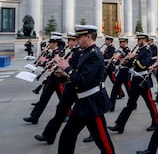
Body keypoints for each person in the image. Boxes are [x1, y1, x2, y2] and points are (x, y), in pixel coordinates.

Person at [55, 25, 115, 154]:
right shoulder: (85, 52)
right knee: (67, 136)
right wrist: (65, 74)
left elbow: (83, 80)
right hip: (82, 103)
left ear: (88, 37)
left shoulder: (94, 55)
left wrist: (67, 69)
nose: (77, 40)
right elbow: (78, 75)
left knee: (103, 141)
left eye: (79, 37)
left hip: (93, 104)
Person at [34, 32, 81, 144]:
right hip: (70, 87)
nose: (68, 42)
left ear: (75, 41)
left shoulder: (80, 53)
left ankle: (94, 134)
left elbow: (77, 71)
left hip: (78, 88)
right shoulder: (73, 52)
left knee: (89, 116)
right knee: (60, 112)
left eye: (70, 40)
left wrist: (64, 72)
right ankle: (48, 136)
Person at [108, 32, 158, 134]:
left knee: (150, 103)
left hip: (143, 80)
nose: (137, 41)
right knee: (129, 105)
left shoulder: (147, 50)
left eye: (139, 40)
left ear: (144, 39)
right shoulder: (139, 50)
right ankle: (120, 125)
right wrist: (125, 60)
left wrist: (133, 58)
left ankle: (156, 122)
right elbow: (132, 64)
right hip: (136, 81)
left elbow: (143, 65)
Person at [23, 34, 65, 124]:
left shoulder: (60, 51)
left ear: (55, 43)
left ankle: (68, 114)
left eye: (50, 42)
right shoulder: (53, 51)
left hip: (58, 79)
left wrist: (44, 61)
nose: (49, 44)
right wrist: (42, 62)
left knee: (64, 99)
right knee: (43, 98)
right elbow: (48, 64)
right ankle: (34, 117)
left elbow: (55, 63)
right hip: (52, 78)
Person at [109, 36, 131, 111]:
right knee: (114, 90)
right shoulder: (119, 50)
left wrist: (120, 57)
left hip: (126, 72)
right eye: (120, 42)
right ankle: (111, 106)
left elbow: (128, 62)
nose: (120, 43)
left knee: (129, 90)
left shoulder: (128, 50)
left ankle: (133, 104)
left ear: (125, 42)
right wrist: (114, 60)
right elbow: (116, 62)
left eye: (122, 42)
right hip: (120, 72)